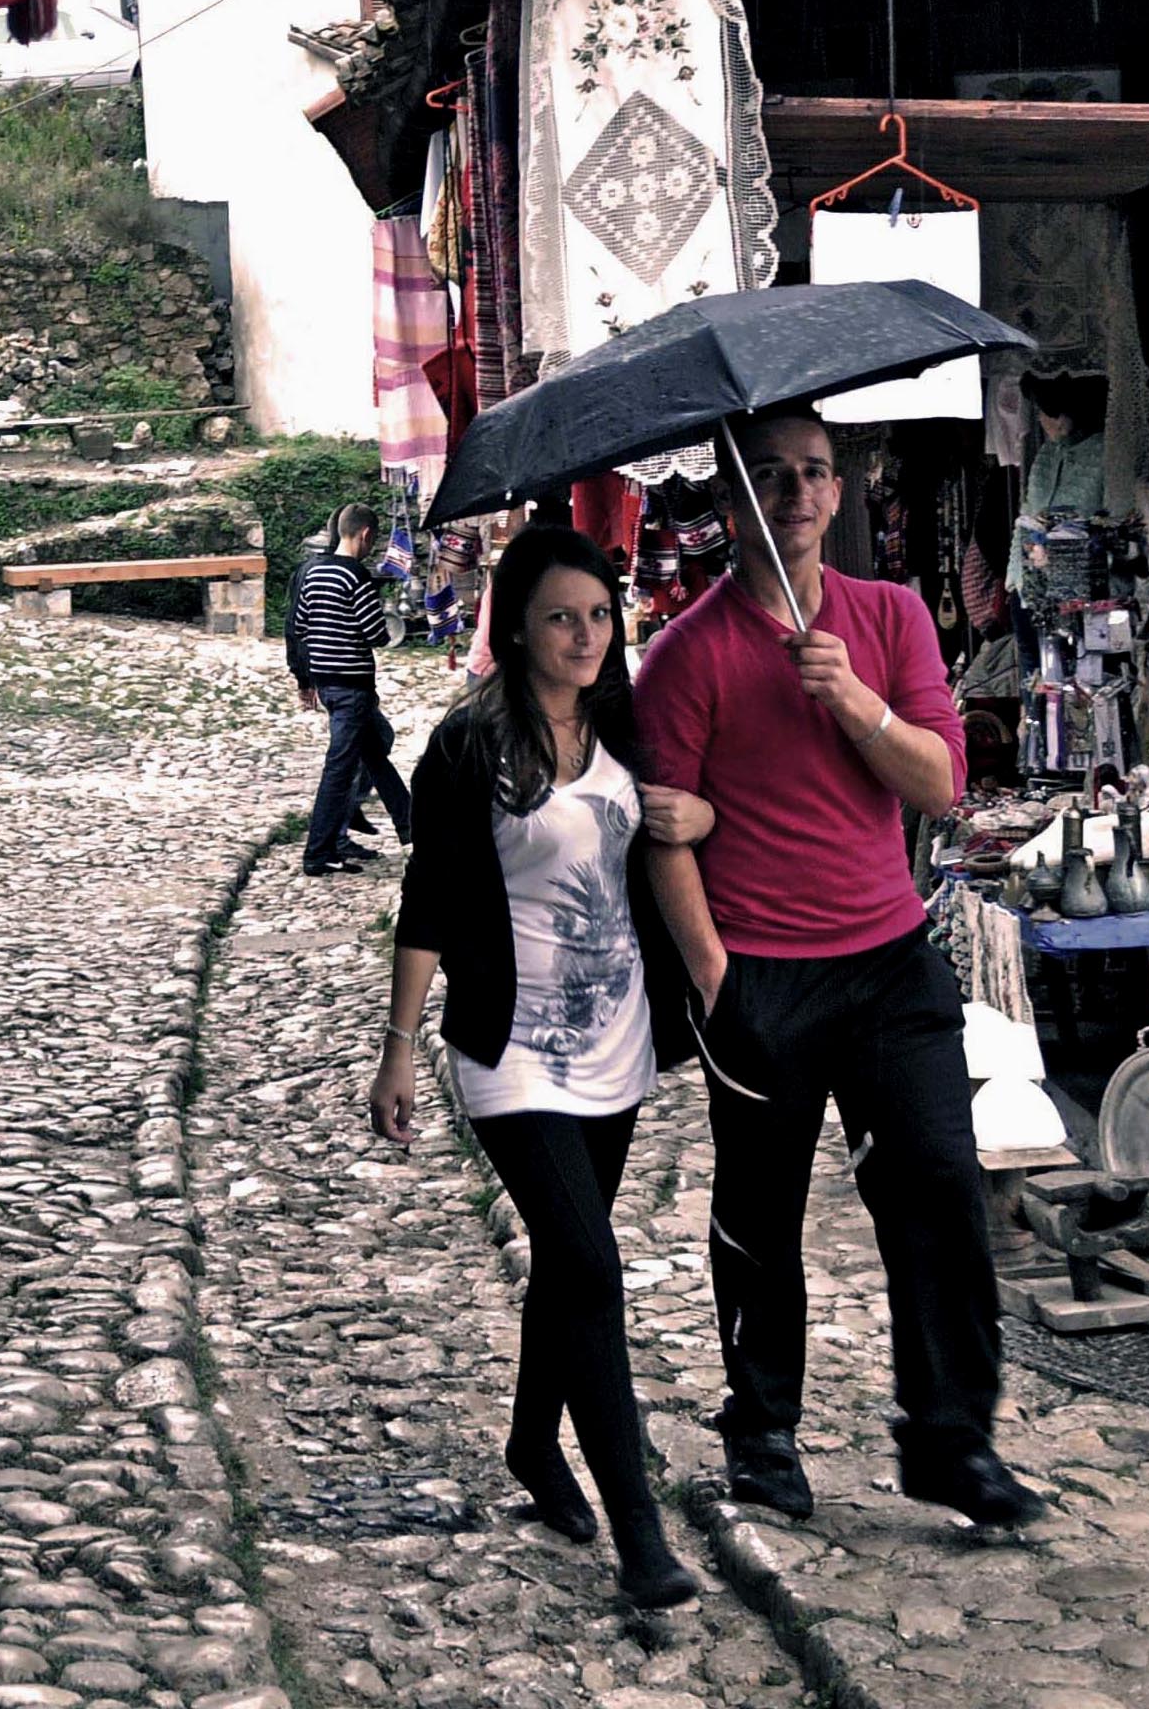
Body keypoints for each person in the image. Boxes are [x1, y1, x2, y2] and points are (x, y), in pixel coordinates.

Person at [631, 409, 1045, 1530]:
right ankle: (761, 1434)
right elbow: (666, 834)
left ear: (841, 488)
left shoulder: (891, 616)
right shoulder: (684, 657)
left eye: (814, 473)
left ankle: (952, 1442)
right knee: (759, 1218)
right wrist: (716, 980)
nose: (797, 495)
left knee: (939, 1194)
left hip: (888, 964)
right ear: (734, 499)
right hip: (762, 974)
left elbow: (941, 788)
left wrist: (853, 701)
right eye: (770, 477)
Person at [367, 524, 713, 1608]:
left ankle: (531, 1441)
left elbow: (677, 830)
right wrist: (398, 1051)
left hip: (615, 1039)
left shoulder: (623, 722)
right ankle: (640, 1536)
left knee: (571, 1268)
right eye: (562, 616)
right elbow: (430, 898)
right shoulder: (470, 746)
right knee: (592, 1265)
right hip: (511, 1048)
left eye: (601, 616)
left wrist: (697, 815)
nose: (585, 636)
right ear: (515, 625)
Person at [289, 505, 411, 874]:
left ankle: (411, 829)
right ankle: (318, 853)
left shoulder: (310, 572)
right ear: (366, 535)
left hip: (326, 683)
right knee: (340, 769)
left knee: (376, 755)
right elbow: (376, 632)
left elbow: (300, 625)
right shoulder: (355, 576)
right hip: (352, 687)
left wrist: (305, 677)